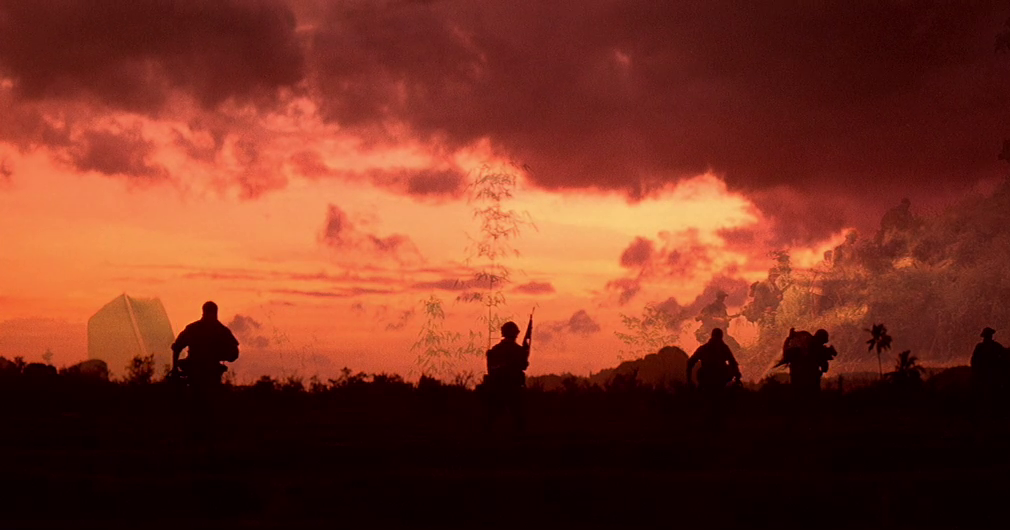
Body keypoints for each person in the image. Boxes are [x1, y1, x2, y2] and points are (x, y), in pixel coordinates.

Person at [171, 301, 240, 389]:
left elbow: (177, 347)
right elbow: (234, 353)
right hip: (204, 372)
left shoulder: (193, 328)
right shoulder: (221, 330)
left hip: (201, 371)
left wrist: (174, 368)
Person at [483, 321, 530, 430]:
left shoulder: (494, 350)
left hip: (496, 388)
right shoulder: (517, 350)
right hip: (512, 388)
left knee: (493, 417)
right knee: (518, 417)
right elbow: (523, 366)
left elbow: (490, 369)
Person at [775, 328, 836, 396]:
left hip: (799, 380)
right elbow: (824, 366)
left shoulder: (809, 345)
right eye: (823, 341)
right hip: (808, 382)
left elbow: (824, 365)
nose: (823, 344)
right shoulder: (815, 348)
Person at [687, 328, 742, 396]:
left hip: (708, 378)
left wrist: (689, 380)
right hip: (717, 378)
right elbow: (733, 362)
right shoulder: (723, 348)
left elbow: (690, 363)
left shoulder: (704, 348)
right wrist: (737, 376)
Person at [971, 327, 1007, 400]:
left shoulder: (981, 346)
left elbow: (974, 360)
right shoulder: (995, 346)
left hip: (987, 373)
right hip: (990, 374)